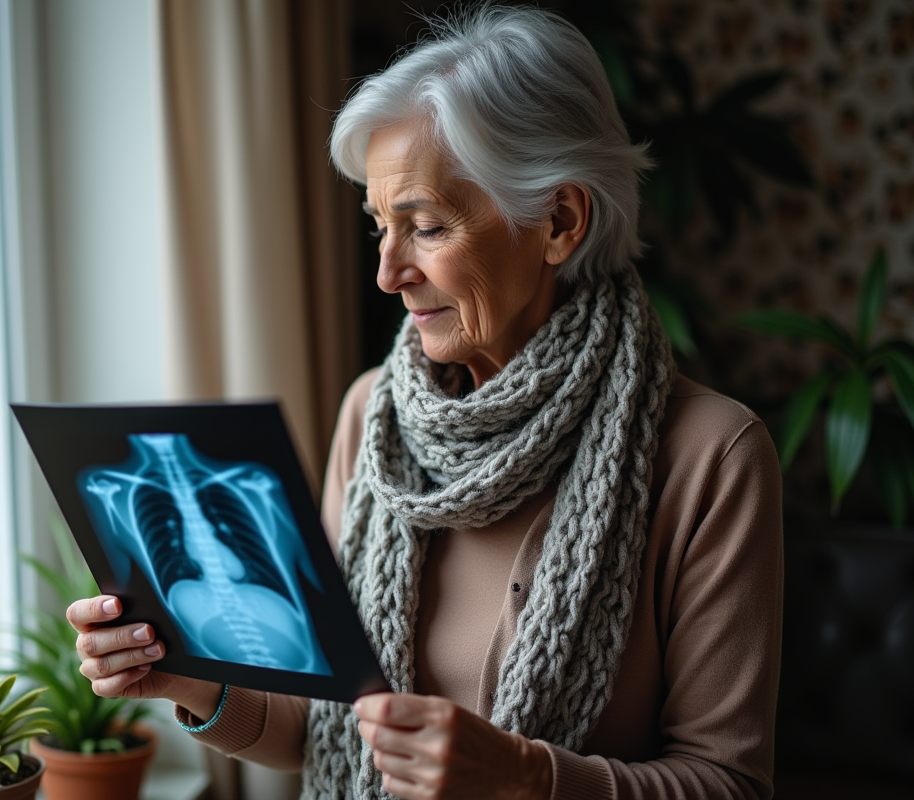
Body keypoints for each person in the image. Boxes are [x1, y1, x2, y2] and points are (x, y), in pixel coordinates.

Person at [66, 7, 784, 799]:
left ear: (560, 221)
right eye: (380, 226)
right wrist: (187, 682)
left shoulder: (711, 455)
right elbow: (319, 726)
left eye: (428, 226)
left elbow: (729, 783)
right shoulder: (371, 415)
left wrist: (524, 778)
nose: (388, 272)